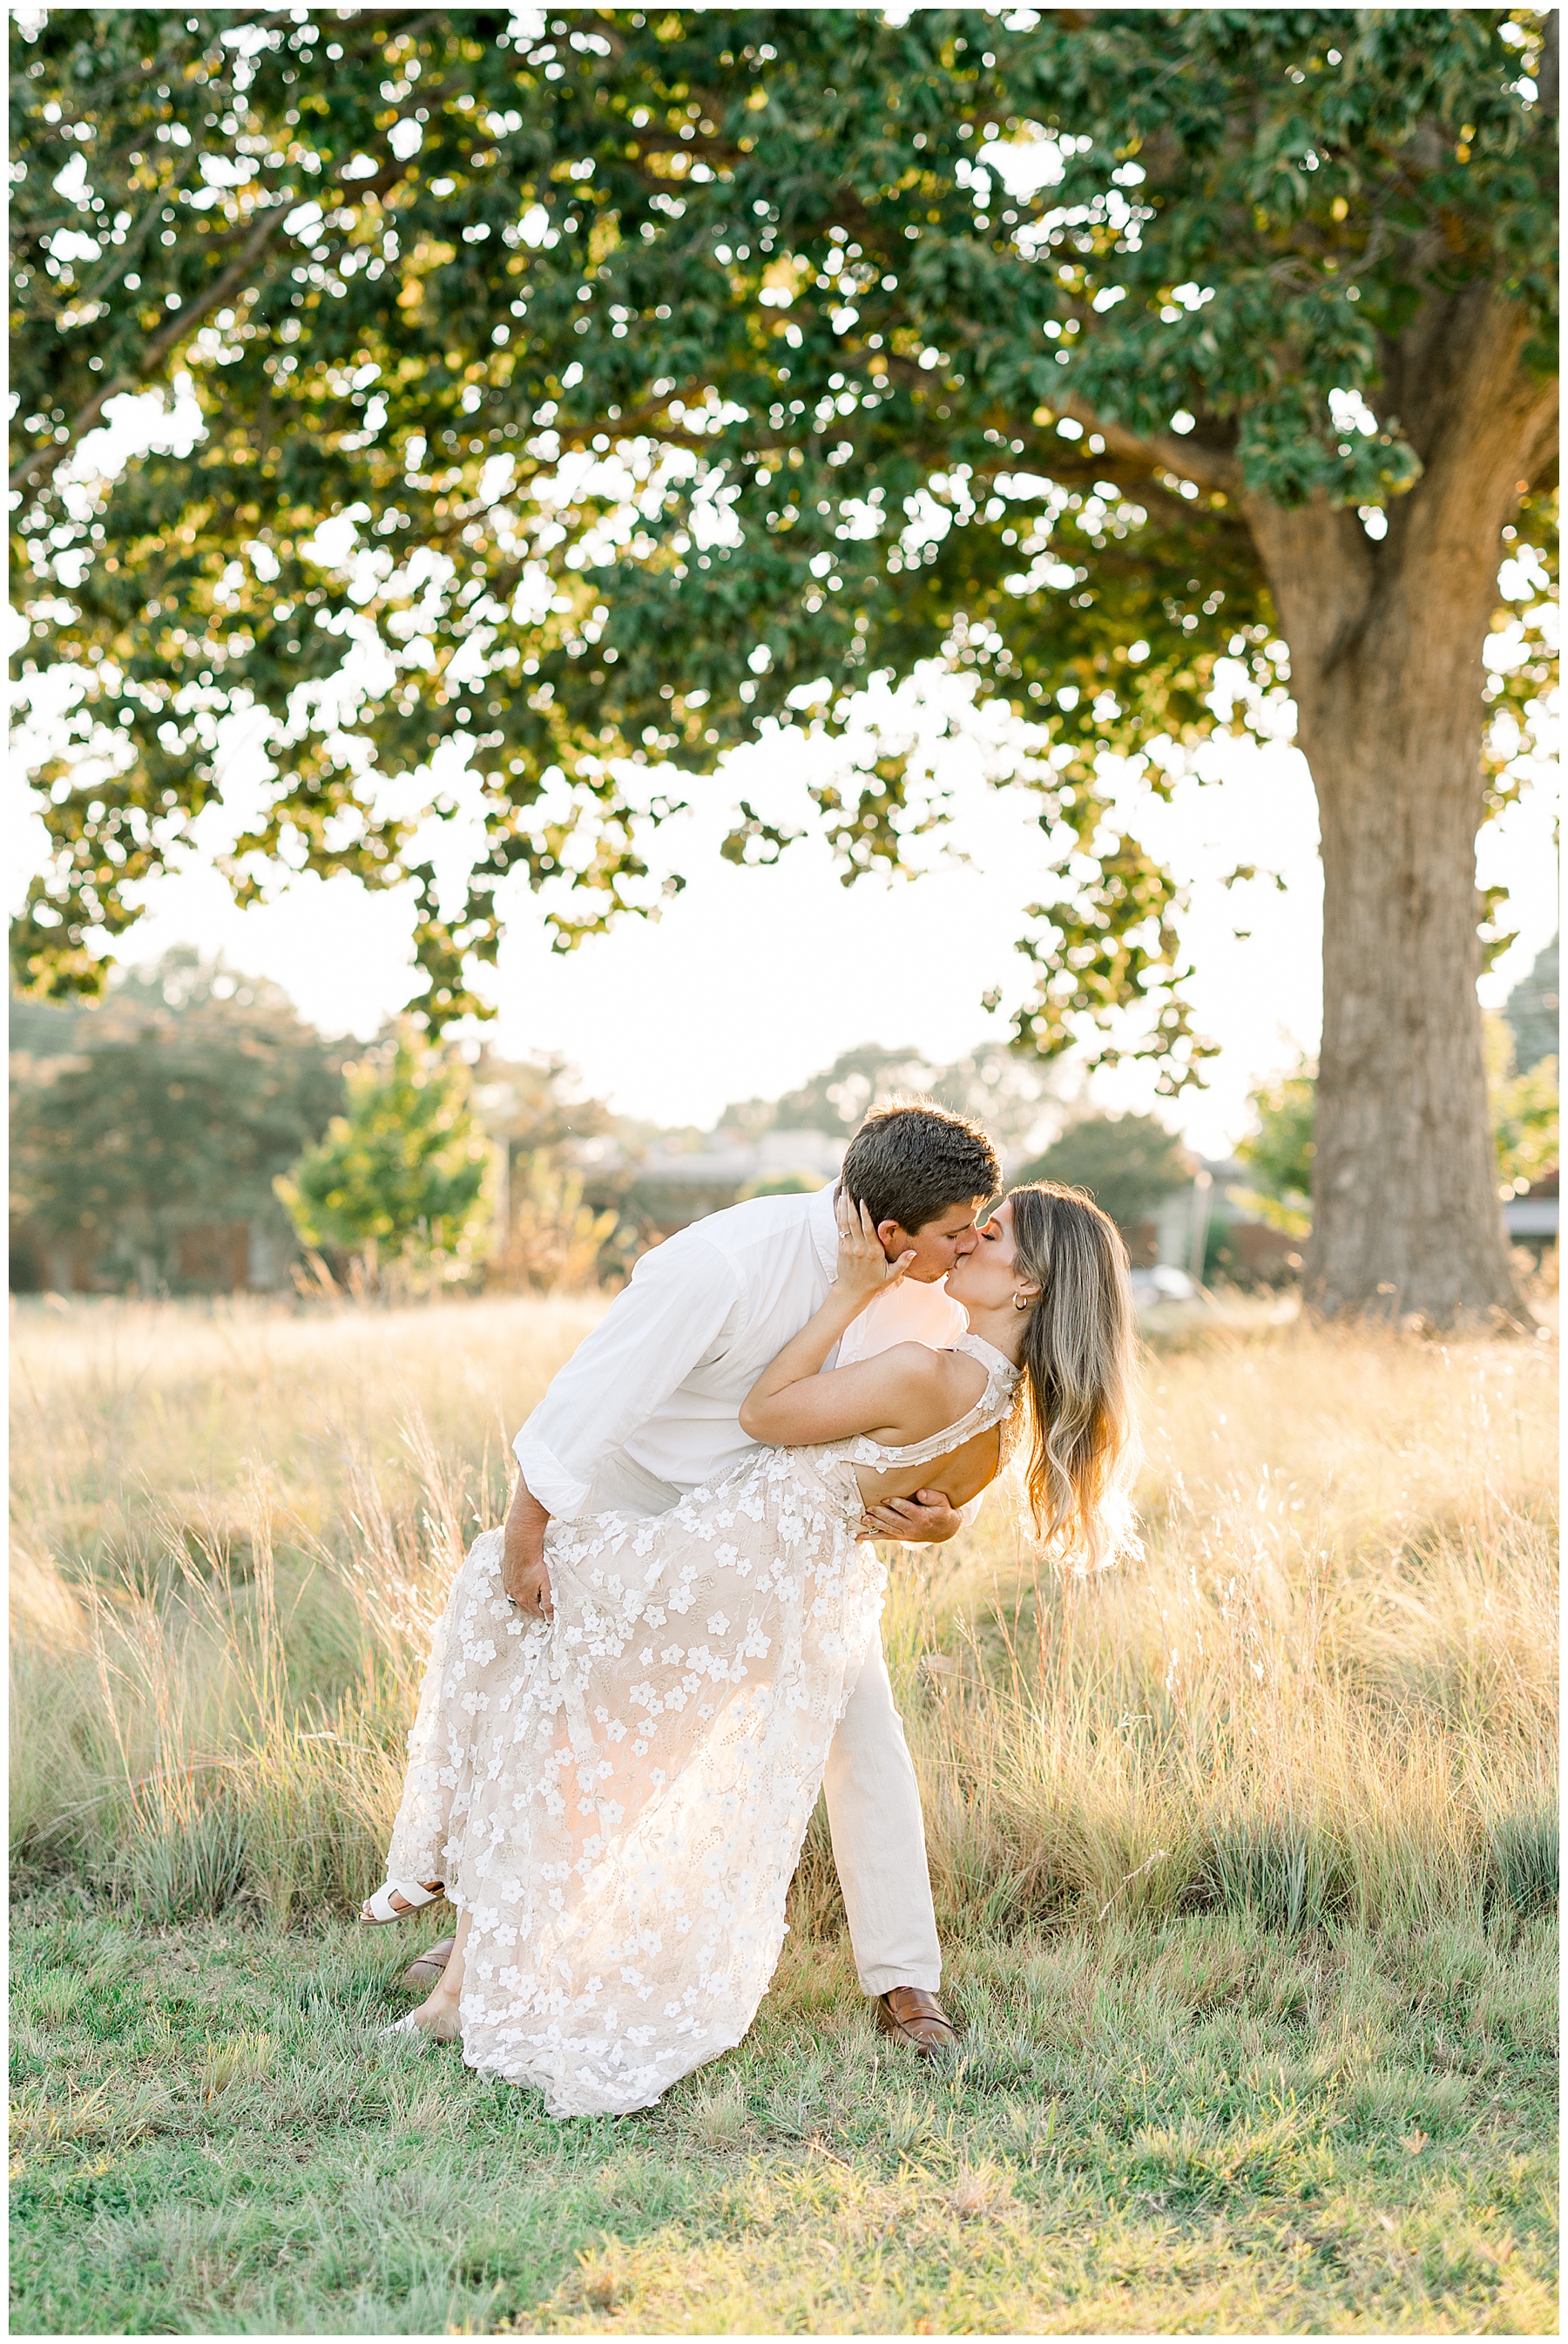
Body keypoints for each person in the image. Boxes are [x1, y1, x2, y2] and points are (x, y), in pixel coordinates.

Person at [362, 1172, 1139, 2118]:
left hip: (728, 1563)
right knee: (578, 1728)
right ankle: (492, 1945)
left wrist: (848, 1295)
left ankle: (469, 1976)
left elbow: (767, 1414)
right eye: (971, 1224)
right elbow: (919, 1491)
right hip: (790, 1582)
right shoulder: (996, 1421)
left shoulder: (924, 1364)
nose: (970, 1238)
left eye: (995, 1233)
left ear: (1030, 1286)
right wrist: (939, 1522)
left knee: (515, 1626)